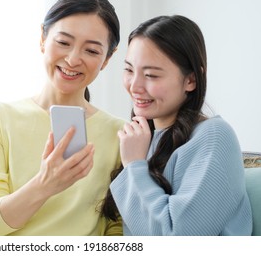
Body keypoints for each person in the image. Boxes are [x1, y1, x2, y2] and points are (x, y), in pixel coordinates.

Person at [0, 0, 125, 236]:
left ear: (107, 59)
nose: (73, 59)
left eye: (91, 51)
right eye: (63, 42)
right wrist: (45, 184)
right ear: (42, 38)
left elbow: (116, 230)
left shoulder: (120, 134)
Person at [101, 15, 253, 235]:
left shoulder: (214, 136)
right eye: (129, 70)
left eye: (151, 75)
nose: (135, 86)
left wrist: (134, 165)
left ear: (191, 80)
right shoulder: (143, 139)